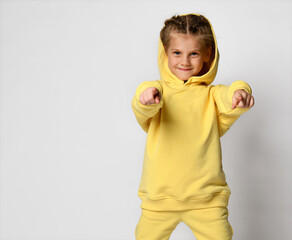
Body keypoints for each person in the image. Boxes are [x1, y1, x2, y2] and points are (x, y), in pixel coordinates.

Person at [131, 13, 255, 240]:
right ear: (165, 53)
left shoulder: (211, 94)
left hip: (207, 200)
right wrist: (146, 99)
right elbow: (141, 105)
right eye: (177, 53)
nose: (185, 61)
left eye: (194, 54)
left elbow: (231, 91)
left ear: (208, 54)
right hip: (159, 199)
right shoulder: (156, 90)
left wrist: (240, 93)